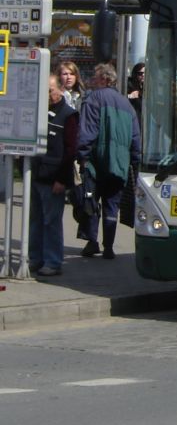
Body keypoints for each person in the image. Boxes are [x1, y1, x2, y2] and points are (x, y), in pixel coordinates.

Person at [76, 62, 141, 259]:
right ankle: (109, 247)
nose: (92, 81)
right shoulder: (126, 104)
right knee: (112, 204)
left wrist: (82, 157)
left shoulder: (93, 99)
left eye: (95, 78)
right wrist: (135, 162)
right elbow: (135, 137)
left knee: (92, 200)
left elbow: (88, 131)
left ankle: (92, 241)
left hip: (96, 162)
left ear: (104, 79)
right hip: (120, 164)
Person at [28, 75, 80, 277]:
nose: (47, 95)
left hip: (54, 178)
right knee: (36, 220)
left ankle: (53, 261)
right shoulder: (41, 111)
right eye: (45, 90)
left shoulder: (68, 115)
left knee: (51, 221)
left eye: (50, 90)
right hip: (37, 174)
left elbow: (70, 151)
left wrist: (62, 180)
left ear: (59, 90)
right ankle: (36, 258)